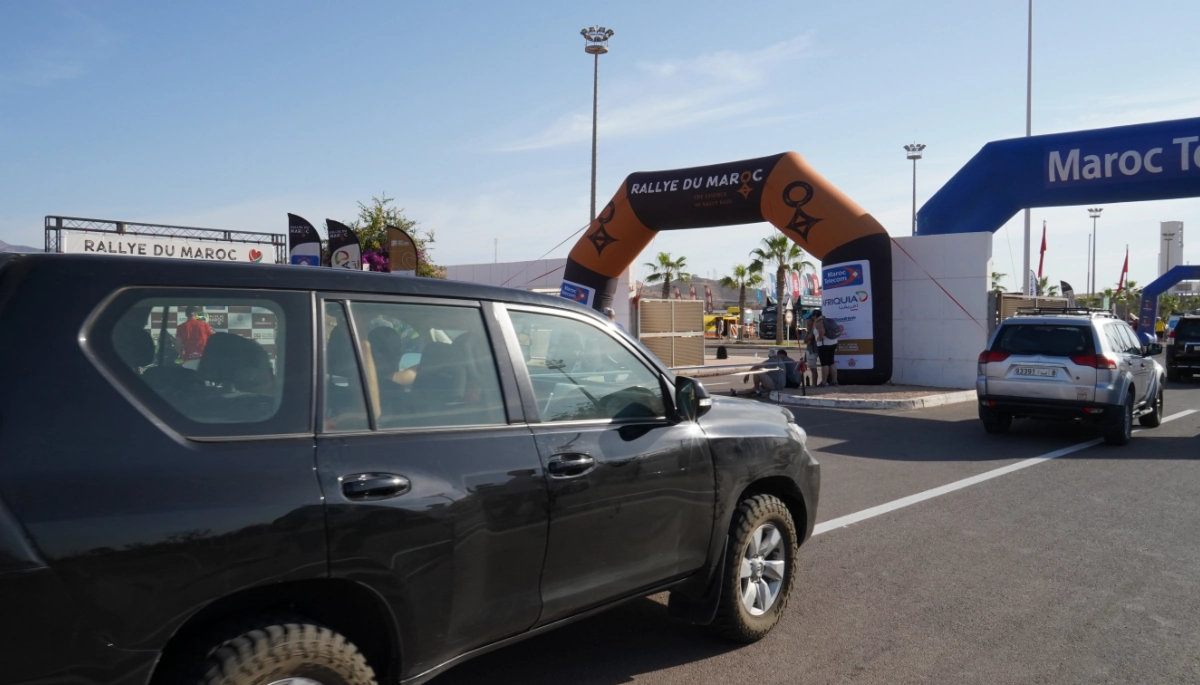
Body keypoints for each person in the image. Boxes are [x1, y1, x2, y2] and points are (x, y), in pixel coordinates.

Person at [809, 309, 839, 387]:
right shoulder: (826, 320)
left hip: (824, 345)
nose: (812, 317)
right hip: (833, 343)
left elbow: (822, 331)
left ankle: (824, 382)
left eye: (813, 316)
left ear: (815, 315)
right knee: (831, 362)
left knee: (824, 364)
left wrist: (819, 339)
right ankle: (834, 381)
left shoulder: (819, 321)